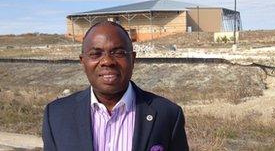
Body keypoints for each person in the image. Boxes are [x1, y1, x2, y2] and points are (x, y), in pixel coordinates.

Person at [42, 21, 189, 151]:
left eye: (118, 52)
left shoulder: (168, 115)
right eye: (95, 54)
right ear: (83, 62)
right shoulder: (56, 115)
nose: (107, 61)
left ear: (132, 59)